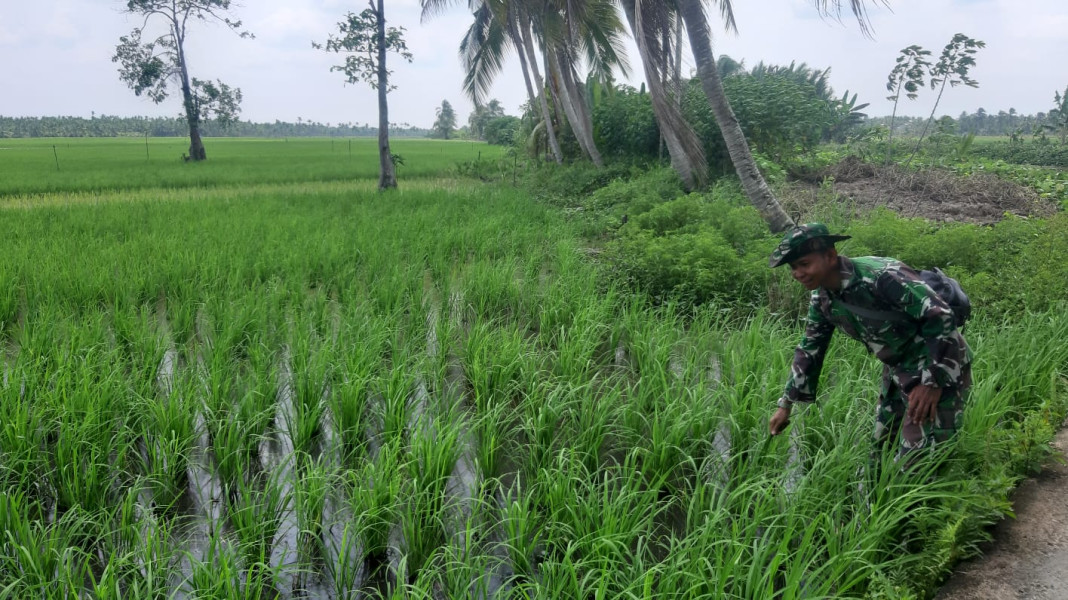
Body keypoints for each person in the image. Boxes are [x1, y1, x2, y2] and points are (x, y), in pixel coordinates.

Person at [767, 223, 971, 468]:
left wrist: (932, 382)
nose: (798, 273)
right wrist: (785, 405)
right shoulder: (822, 298)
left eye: (804, 264)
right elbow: (810, 348)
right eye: (793, 267)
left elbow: (940, 316)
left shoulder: (882, 276)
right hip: (898, 368)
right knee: (880, 453)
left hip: (938, 362)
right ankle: (880, 492)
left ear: (830, 256)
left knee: (919, 463)